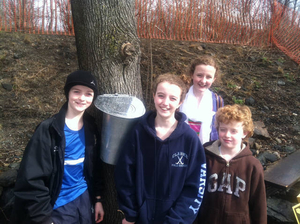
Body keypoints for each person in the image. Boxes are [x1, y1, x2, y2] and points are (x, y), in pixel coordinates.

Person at [12, 70, 104, 224]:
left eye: (88, 93)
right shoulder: (48, 130)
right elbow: (31, 179)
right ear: (67, 93)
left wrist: (98, 199)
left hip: (84, 200)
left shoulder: (91, 128)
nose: (82, 98)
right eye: (76, 91)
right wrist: (43, 218)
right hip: (58, 205)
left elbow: (94, 167)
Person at [115, 73, 206, 224]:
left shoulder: (190, 139)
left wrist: (176, 220)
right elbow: (124, 174)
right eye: (161, 96)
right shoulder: (138, 132)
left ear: (180, 102)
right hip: (140, 218)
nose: (165, 102)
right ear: (153, 96)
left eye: (173, 98)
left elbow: (196, 186)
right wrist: (130, 212)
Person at [197, 104, 267, 224]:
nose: (227, 135)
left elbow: (259, 204)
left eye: (234, 131)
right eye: (223, 129)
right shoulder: (204, 156)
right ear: (217, 128)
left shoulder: (252, 166)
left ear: (244, 132)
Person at [180, 55, 224, 145]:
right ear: (192, 74)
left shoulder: (217, 101)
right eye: (199, 75)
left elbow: (219, 127)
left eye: (208, 77)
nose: (203, 81)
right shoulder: (180, 96)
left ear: (214, 79)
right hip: (181, 145)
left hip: (206, 149)